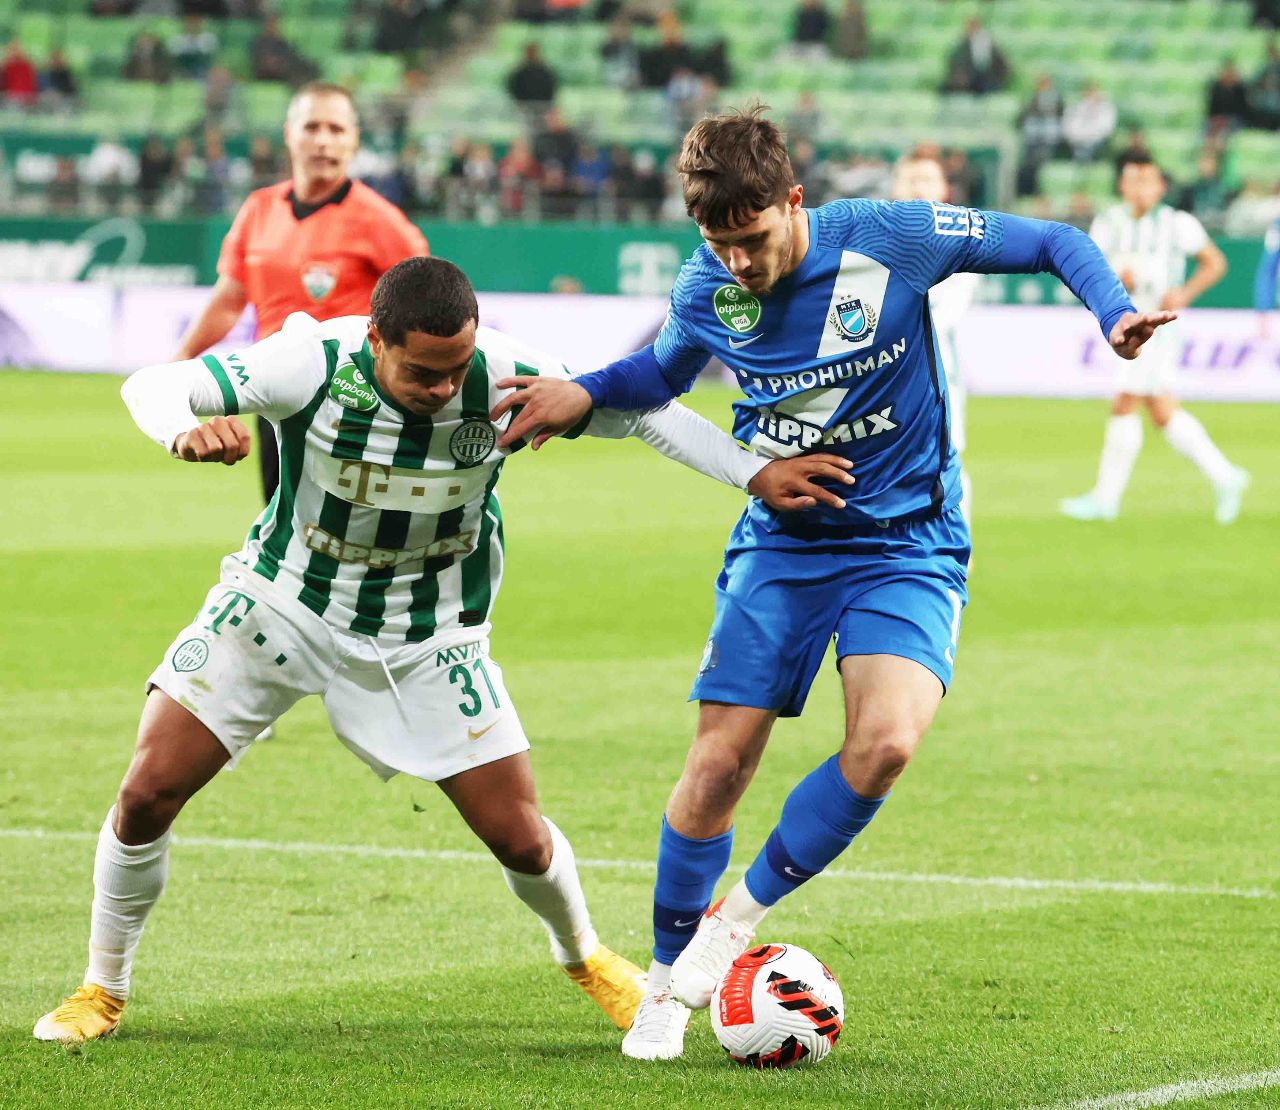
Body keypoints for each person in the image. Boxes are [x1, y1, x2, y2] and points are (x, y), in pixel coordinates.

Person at [490, 108, 1175, 1061]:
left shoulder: (892, 237)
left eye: (754, 237)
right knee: (717, 768)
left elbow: (1052, 240)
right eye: (719, 244)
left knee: (886, 743)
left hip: (910, 542)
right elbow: (661, 376)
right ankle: (664, 985)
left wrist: (1112, 313)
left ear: (794, 201)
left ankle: (730, 925)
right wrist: (591, 389)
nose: (740, 263)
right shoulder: (707, 288)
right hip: (784, 545)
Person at [31, 256, 849, 1045]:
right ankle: (103, 985)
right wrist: (182, 427)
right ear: (376, 340)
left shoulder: (507, 376)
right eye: (424, 373)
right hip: (281, 605)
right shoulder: (312, 362)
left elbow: (642, 411)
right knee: (147, 793)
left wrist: (752, 473)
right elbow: (153, 384)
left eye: (456, 369)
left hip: (427, 635)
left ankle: (587, 957)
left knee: (520, 838)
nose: (445, 389)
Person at [174, 82, 427, 511]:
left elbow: (425, 303)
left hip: (349, 398)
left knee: (349, 527)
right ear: (289, 134)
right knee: (283, 519)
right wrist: (179, 364)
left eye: (336, 129)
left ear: (354, 140)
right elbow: (230, 300)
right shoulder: (259, 209)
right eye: (312, 127)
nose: (323, 140)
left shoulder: (380, 221)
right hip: (273, 392)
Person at [1061, 156, 1248, 524]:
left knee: (1125, 402)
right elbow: (1090, 269)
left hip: (1158, 327)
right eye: (1134, 180)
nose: (1141, 188)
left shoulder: (1177, 223)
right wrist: (1116, 280)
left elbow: (1215, 262)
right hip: (1124, 323)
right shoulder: (1108, 223)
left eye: (1147, 180)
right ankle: (1226, 476)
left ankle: (1105, 500)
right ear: (1122, 186)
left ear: (1161, 186)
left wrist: (1184, 293)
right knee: (1162, 411)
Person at [892, 149, 979, 523]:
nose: (917, 188)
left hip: (937, 375)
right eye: (910, 179)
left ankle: (958, 545)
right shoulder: (871, 242)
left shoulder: (963, 244)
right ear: (895, 188)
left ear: (944, 188)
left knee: (946, 461)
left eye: (926, 179)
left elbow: (943, 317)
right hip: (880, 379)